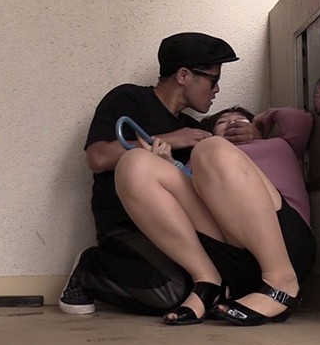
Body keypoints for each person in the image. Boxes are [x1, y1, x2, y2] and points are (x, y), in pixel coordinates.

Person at [60, 32, 250, 316]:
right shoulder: (129, 99)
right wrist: (172, 139)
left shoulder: (195, 129)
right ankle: (91, 268)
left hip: (178, 227)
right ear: (183, 75)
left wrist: (254, 134)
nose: (217, 90)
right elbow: (98, 157)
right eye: (213, 80)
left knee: (216, 284)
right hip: (126, 224)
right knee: (173, 292)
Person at [115, 105, 316, 326]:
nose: (232, 123)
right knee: (134, 164)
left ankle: (281, 282)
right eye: (222, 122)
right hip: (228, 255)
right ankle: (209, 283)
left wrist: (262, 120)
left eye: (241, 120)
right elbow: (189, 203)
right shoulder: (200, 159)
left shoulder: (279, 144)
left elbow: (301, 121)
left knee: (212, 150)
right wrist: (169, 163)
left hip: (286, 246)